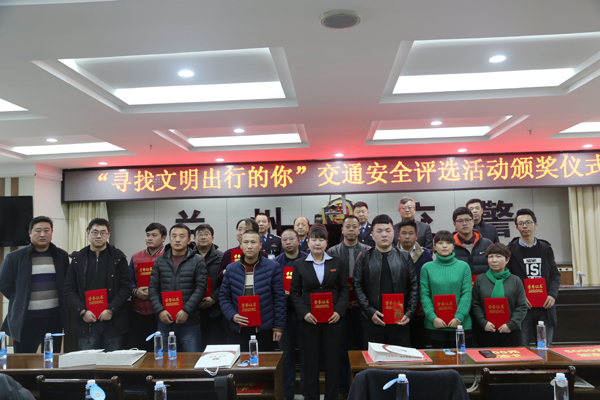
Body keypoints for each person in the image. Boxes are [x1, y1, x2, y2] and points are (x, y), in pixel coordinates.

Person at [290, 224, 349, 400]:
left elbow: (344, 289)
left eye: (321, 239)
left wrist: (339, 311)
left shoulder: (337, 262)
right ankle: (311, 397)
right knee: (310, 362)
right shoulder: (299, 264)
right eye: (314, 239)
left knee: (332, 361)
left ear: (327, 242)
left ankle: (332, 396)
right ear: (307, 242)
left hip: (333, 320)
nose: (317, 243)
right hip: (310, 321)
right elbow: (295, 292)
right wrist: (304, 313)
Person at [0, 216, 69, 353]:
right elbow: (4, 285)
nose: (42, 234)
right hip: (27, 320)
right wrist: (21, 298)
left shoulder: (61, 255)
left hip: (54, 318)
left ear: (52, 232)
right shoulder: (15, 257)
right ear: (30, 233)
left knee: (52, 358)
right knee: (24, 360)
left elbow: (67, 284)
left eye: (46, 230)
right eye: (38, 231)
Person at [64, 218, 131, 351]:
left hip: (113, 321)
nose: (99, 236)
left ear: (108, 234)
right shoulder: (78, 259)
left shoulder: (119, 258)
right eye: (95, 232)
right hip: (86, 321)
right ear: (87, 234)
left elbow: (126, 288)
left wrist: (111, 310)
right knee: (88, 362)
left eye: (103, 233)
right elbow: (69, 289)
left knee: (113, 362)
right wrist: (82, 312)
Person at [353, 214, 418, 347]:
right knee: (374, 358)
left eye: (388, 230)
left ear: (393, 233)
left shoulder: (404, 256)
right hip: (372, 321)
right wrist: (370, 312)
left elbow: (413, 285)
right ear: (372, 235)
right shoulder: (364, 257)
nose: (384, 234)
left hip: (400, 320)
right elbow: (357, 285)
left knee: (400, 358)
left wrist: (409, 313)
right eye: (379, 231)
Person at [219, 229, 286, 351]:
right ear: (241, 244)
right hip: (238, 328)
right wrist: (232, 315)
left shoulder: (272, 267)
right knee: (240, 362)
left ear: (260, 245)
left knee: (264, 361)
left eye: (253, 242)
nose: (249, 246)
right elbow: (224, 297)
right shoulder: (231, 269)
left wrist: (278, 327)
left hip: (265, 327)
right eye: (246, 242)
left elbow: (279, 299)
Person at [327, 215, 371, 400]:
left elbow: (371, 281)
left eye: (355, 226)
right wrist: (342, 302)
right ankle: (343, 387)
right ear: (342, 230)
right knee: (341, 350)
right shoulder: (332, 251)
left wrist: (362, 300)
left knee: (364, 349)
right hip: (340, 310)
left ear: (359, 230)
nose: (351, 229)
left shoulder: (368, 250)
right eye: (348, 226)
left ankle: (365, 386)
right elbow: (329, 282)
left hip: (364, 309)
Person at [506, 209, 561, 346]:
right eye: (521, 223)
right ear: (517, 227)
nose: (525, 226)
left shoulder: (545, 248)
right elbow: (507, 278)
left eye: (528, 222)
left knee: (544, 348)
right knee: (522, 349)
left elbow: (555, 274)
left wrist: (552, 295)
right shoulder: (510, 250)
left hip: (545, 307)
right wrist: (519, 297)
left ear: (535, 225)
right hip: (521, 308)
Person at [148, 223, 207, 352]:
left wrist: (186, 311)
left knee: (191, 360)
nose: (177, 239)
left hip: (189, 321)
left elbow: (201, 288)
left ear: (189, 240)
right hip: (164, 320)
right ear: (169, 239)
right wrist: (160, 311)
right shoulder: (160, 261)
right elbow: (153, 289)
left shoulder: (197, 260)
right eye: (174, 236)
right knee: (164, 360)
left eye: (182, 236)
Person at [420, 230, 472, 348]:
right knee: (439, 359)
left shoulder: (464, 266)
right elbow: (424, 295)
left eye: (448, 243)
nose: (444, 246)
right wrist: (433, 318)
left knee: (462, 358)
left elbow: (467, 294)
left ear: (453, 246)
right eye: (440, 243)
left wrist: (459, 317)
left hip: (460, 324)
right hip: (435, 325)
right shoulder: (427, 268)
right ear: (434, 247)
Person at [472, 243, 527, 347]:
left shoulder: (515, 280)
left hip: (511, 331)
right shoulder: (480, 280)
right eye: (490, 257)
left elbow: (522, 306)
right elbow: (475, 304)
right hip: (486, 330)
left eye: (498, 256)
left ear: (507, 260)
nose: (494, 260)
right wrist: (484, 323)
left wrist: (510, 325)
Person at [274, 229, 308, 400]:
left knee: (306, 356)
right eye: (284, 239)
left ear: (299, 240)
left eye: (291, 239)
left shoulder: (308, 260)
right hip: (284, 316)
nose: (288, 242)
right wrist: (282, 293)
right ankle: (287, 393)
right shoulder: (275, 263)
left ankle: (307, 392)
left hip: (305, 316)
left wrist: (297, 293)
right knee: (286, 357)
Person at [128, 222, 166, 351]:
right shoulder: (136, 257)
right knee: (141, 350)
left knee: (159, 350)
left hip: (160, 313)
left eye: (154, 235)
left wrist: (155, 292)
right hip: (139, 312)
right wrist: (135, 291)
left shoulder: (168, 256)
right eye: (147, 235)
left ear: (163, 238)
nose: (149, 238)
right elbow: (128, 281)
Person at [397, 219, 433, 349]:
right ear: (398, 236)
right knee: (401, 347)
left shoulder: (425, 255)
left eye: (411, 233)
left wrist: (426, 304)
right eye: (404, 233)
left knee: (419, 346)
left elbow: (430, 281)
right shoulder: (392, 253)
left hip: (419, 308)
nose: (407, 236)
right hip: (399, 307)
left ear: (416, 236)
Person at [195, 223, 225, 350]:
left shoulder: (222, 257)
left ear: (212, 238)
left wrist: (213, 298)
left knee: (215, 348)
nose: (203, 237)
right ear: (194, 238)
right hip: (193, 312)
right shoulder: (188, 257)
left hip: (216, 311)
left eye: (206, 234)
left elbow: (226, 283)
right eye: (199, 234)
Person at [451, 207, 493, 276]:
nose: (464, 223)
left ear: (473, 221)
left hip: (483, 282)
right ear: (454, 224)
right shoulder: (450, 246)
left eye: (467, 220)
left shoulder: (487, 244)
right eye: (460, 221)